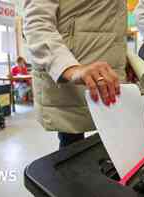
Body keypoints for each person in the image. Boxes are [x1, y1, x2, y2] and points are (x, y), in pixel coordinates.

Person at [24, 0, 126, 148]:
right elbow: (37, 24)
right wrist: (69, 67)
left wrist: (123, 61)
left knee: (113, 146)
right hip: (70, 76)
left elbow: (111, 27)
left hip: (106, 75)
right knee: (72, 146)